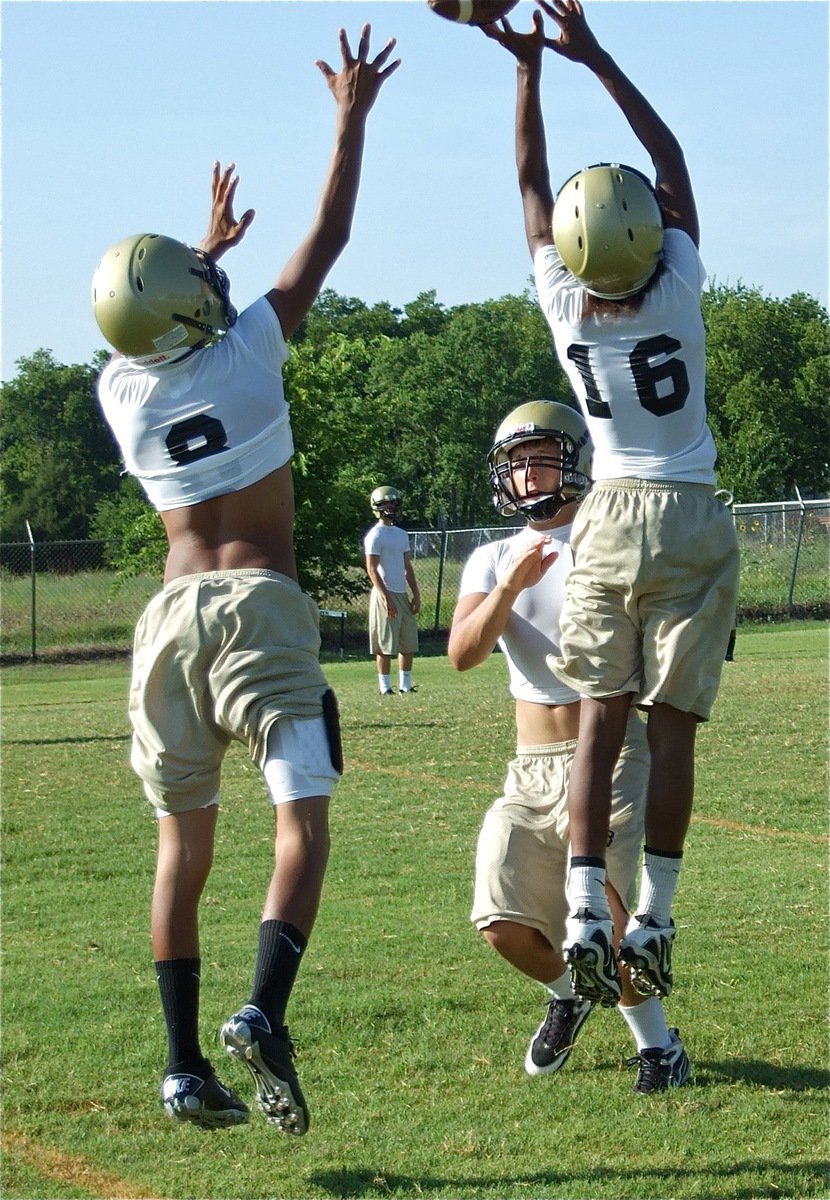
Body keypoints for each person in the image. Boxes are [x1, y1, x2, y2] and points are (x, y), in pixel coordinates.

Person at [92, 26, 400, 1133]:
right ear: (193, 309)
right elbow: (327, 237)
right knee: (301, 825)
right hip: (261, 607)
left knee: (183, 847)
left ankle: (181, 1066)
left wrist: (201, 257)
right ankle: (263, 1011)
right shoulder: (251, 349)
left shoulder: (118, 394)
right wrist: (348, 116)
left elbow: (165, 328)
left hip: (166, 621)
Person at [482, 0, 739, 1007]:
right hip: (689, 512)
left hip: (609, 515)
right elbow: (667, 155)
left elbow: (526, 188)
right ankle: (658, 915)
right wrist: (591, 54)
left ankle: (587, 908)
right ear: (649, 238)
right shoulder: (676, 288)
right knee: (668, 732)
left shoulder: (564, 308)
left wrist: (524, 74)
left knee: (597, 722)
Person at [448, 400, 690, 1093]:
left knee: (609, 917)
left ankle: (660, 1048)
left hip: (610, 755)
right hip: (529, 768)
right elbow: (463, 652)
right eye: (517, 463)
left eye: (541, 456)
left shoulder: (607, 537)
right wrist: (510, 587)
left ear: (575, 457)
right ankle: (569, 993)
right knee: (499, 920)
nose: (529, 474)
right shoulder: (492, 556)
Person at [364, 485, 421, 694]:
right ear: (377, 507)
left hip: (401, 593)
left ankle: (405, 685)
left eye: (393, 503)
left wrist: (415, 593)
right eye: (386, 504)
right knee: (385, 644)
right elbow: (371, 568)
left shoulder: (401, 534)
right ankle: (385, 687)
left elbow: (407, 566)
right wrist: (385, 596)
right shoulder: (375, 535)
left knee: (407, 642)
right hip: (384, 593)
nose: (391, 507)